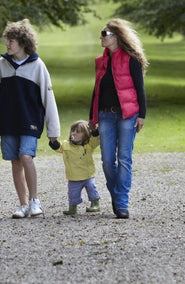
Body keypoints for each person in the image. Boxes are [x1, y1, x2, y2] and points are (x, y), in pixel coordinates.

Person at [0, 19, 60, 219]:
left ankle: (35, 200)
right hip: (8, 122)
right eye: (7, 40)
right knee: (15, 162)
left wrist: (53, 132)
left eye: (12, 40)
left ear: (24, 42)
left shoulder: (38, 65)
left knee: (26, 156)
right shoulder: (0, 65)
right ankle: (23, 204)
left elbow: (48, 98)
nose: (8, 44)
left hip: (30, 121)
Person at [89, 19, 148, 219]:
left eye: (104, 34)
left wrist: (142, 115)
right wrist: (92, 117)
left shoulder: (131, 59)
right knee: (107, 161)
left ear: (116, 36)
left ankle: (121, 202)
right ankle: (117, 195)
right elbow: (96, 91)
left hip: (127, 115)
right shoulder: (100, 61)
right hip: (105, 115)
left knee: (124, 159)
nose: (101, 37)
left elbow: (140, 88)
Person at [49, 120, 101, 215]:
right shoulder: (66, 144)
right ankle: (72, 208)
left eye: (78, 131)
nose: (74, 133)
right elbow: (58, 147)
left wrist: (95, 131)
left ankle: (95, 203)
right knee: (73, 193)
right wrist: (53, 142)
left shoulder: (89, 145)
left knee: (92, 188)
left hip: (88, 175)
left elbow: (96, 139)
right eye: (73, 131)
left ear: (85, 134)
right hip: (73, 177)